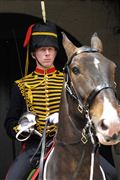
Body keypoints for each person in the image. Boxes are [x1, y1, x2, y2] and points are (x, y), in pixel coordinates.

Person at [4, 21, 64, 179]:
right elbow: (9, 122)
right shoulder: (21, 85)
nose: (47, 54)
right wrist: (22, 127)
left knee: (111, 173)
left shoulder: (67, 81)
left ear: (56, 52)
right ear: (33, 54)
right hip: (35, 148)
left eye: (51, 49)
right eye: (42, 49)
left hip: (67, 143)